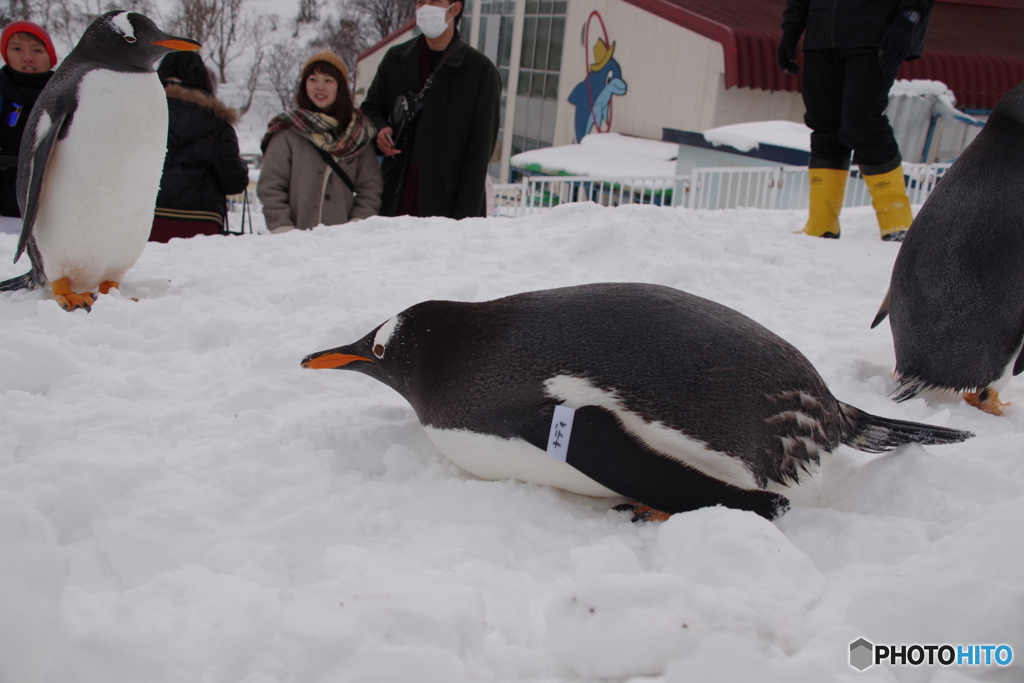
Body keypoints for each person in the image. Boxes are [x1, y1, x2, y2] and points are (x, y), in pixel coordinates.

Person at [779, 0, 932, 241]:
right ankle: (822, 223)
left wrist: (907, 19)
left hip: (874, 34)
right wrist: (791, 31)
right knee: (824, 123)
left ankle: (897, 221)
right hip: (821, 37)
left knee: (862, 122)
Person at [360, 0, 501, 219]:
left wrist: (466, 222)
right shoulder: (396, 59)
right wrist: (380, 130)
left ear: (454, 8)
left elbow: (479, 154)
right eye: (420, 1)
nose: (425, 7)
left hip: (446, 203)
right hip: (395, 192)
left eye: (434, 1)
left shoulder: (480, 72)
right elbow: (371, 108)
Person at [257, 50, 382, 233]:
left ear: (340, 87)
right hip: (295, 242)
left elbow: (370, 188)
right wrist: (284, 230)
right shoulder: (287, 130)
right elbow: (271, 186)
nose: (319, 87)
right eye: (313, 79)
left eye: (328, 80)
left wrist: (356, 227)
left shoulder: (358, 132)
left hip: (343, 245)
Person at [151, 51, 250, 242]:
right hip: (200, 223)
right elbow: (234, 183)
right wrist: (242, 167)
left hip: (142, 218)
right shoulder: (218, 122)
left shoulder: (139, 113)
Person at [0, 21, 56, 223]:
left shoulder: (67, 95)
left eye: (37, 50)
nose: (28, 58)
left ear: (51, 56)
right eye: (16, 49)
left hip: (46, 212)